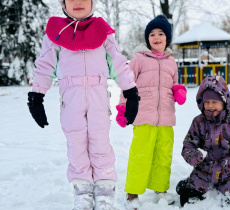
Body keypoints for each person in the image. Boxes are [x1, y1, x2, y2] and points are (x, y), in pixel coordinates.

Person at [26, 0, 140, 209]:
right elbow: (44, 66)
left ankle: (105, 190)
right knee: (76, 144)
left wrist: (131, 91)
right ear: (63, 3)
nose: (78, 2)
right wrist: (36, 96)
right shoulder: (56, 34)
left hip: (98, 97)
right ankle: (83, 190)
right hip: (70, 100)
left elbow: (119, 63)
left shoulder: (102, 32)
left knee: (100, 143)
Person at [115, 15, 187, 209]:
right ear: (147, 38)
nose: (156, 37)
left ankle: (161, 189)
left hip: (166, 118)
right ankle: (132, 194)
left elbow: (174, 83)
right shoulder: (139, 58)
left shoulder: (172, 61)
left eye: (161, 33)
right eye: (152, 34)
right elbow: (127, 84)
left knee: (163, 155)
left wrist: (179, 90)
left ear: (167, 38)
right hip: (143, 116)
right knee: (141, 155)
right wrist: (123, 107)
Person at [176, 75, 230, 206]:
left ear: (224, 102)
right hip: (205, 169)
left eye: (215, 102)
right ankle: (189, 184)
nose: (210, 106)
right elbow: (188, 144)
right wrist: (193, 155)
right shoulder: (199, 122)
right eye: (207, 102)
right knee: (187, 197)